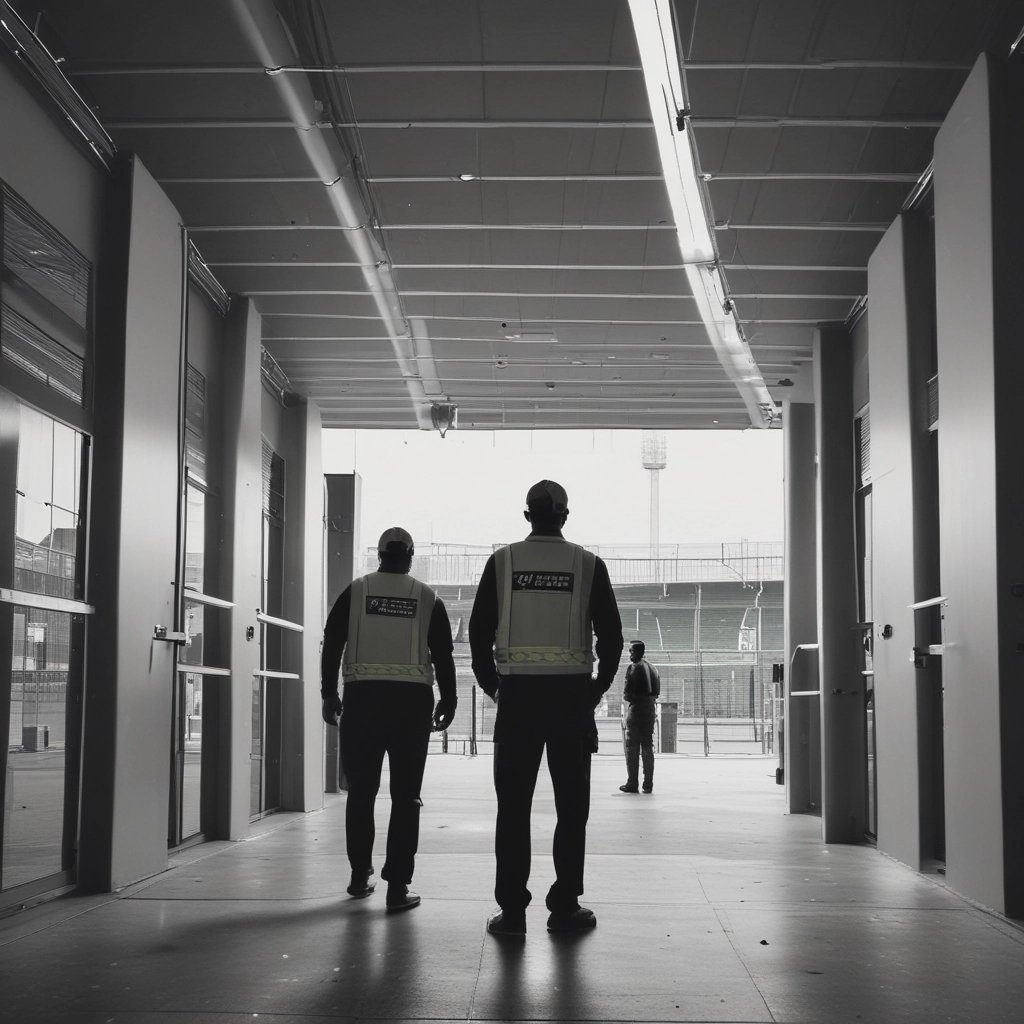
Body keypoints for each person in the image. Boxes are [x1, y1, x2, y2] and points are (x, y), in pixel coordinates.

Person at [470, 480, 623, 936]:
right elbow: (612, 639)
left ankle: (513, 911)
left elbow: (478, 635)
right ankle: (565, 905)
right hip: (570, 701)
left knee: (512, 809)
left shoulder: (502, 563)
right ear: (564, 516)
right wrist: (595, 691)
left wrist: (495, 689)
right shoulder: (588, 564)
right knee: (571, 809)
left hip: (517, 700)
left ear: (527, 515)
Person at [320, 527, 457, 912]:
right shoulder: (427, 597)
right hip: (411, 705)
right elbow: (443, 655)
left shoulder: (356, 592)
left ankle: (358, 874)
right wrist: (449, 698)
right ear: (410, 556)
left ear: (379, 555)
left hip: (363, 700)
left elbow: (332, 642)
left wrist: (329, 693)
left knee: (362, 793)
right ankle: (397, 886)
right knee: (406, 796)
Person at [620, 640, 661, 794]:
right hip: (650, 709)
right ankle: (648, 783)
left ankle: (632, 783)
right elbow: (657, 692)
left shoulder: (633, 668)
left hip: (637, 710)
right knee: (647, 747)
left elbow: (627, 695)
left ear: (637, 652)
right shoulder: (653, 668)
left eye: (631, 651)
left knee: (632, 747)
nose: (629, 654)